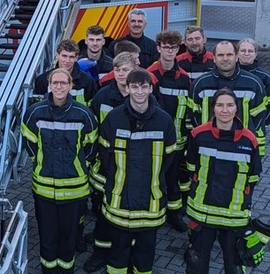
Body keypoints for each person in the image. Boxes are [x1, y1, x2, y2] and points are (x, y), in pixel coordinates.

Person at [98, 69, 176, 274]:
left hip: (150, 204)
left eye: (144, 87)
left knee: (144, 257)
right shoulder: (113, 119)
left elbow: (168, 159)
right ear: (127, 88)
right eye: (134, 86)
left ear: (151, 88)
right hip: (119, 204)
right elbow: (105, 157)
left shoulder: (164, 121)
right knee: (117, 256)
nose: (139, 91)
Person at [22, 68, 98, 274]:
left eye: (63, 83)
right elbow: (29, 142)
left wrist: (80, 165)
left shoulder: (84, 114)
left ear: (71, 86)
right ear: (49, 85)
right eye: (55, 83)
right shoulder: (35, 112)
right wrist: (40, 161)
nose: (59, 87)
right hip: (44, 189)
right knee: (47, 236)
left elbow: (91, 147)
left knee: (68, 237)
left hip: (75, 190)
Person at [184, 88, 262, 274]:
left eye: (229, 105)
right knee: (197, 264)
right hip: (202, 212)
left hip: (234, 216)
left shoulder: (249, 140)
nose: (224, 110)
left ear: (237, 108)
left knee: (233, 266)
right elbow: (191, 167)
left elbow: (253, 176)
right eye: (220, 105)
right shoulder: (198, 135)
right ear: (213, 108)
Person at [83, 51, 136, 273]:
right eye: (118, 69)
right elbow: (92, 130)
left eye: (126, 70)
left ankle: (125, 253)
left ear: (134, 70)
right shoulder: (102, 96)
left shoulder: (141, 97)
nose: (122, 74)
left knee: (128, 214)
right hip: (106, 165)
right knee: (103, 212)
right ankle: (100, 252)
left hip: (133, 168)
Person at [147, 30, 192, 233]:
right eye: (166, 47)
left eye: (173, 48)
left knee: (173, 179)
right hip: (154, 141)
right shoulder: (150, 75)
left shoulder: (184, 78)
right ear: (158, 48)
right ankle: (153, 212)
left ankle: (174, 215)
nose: (170, 51)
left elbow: (189, 108)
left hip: (177, 140)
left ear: (178, 49)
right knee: (153, 178)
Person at [189, 41, 267, 155]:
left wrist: (255, 150)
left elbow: (259, 120)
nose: (225, 59)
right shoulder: (200, 85)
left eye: (229, 55)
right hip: (208, 147)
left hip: (241, 147)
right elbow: (193, 117)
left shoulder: (253, 84)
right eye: (220, 55)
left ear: (236, 57)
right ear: (214, 58)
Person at [34, 39, 96, 106]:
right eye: (64, 56)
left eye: (71, 57)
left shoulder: (87, 81)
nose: (67, 60)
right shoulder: (42, 80)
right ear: (57, 55)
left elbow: (91, 108)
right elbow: (38, 107)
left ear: (76, 58)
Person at [237, 38, 270, 131]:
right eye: (243, 50)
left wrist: (262, 123)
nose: (247, 53)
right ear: (237, 53)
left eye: (250, 51)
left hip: (254, 130)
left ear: (256, 54)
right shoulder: (229, 74)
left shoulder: (266, 78)